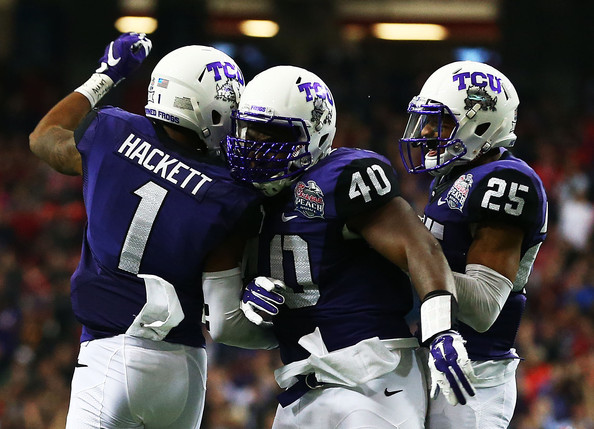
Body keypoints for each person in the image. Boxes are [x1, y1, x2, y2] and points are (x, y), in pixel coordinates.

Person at [29, 32, 273, 429]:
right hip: (183, 367)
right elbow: (225, 316)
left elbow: (43, 138)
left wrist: (107, 73)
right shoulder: (229, 191)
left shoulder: (110, 134)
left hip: (105, 353)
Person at [216, 64, 477, 429]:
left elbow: (419, 247)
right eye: (249, 131)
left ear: (314, 135)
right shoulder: (239, 199)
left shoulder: (340, 178)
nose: (255, 146)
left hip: (373, 375)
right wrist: (246, 295)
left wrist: (440, 330)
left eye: (270, 134)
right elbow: (218, 306)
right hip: (301, 387)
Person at [399, 60, 548, 428]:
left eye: (443, 122)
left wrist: (405, 254)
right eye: (427, 119)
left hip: (475, 373)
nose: (429, 131)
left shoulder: (507, 181)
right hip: (436, 361)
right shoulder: (456, 176)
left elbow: (483, 307)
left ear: (482, 125)